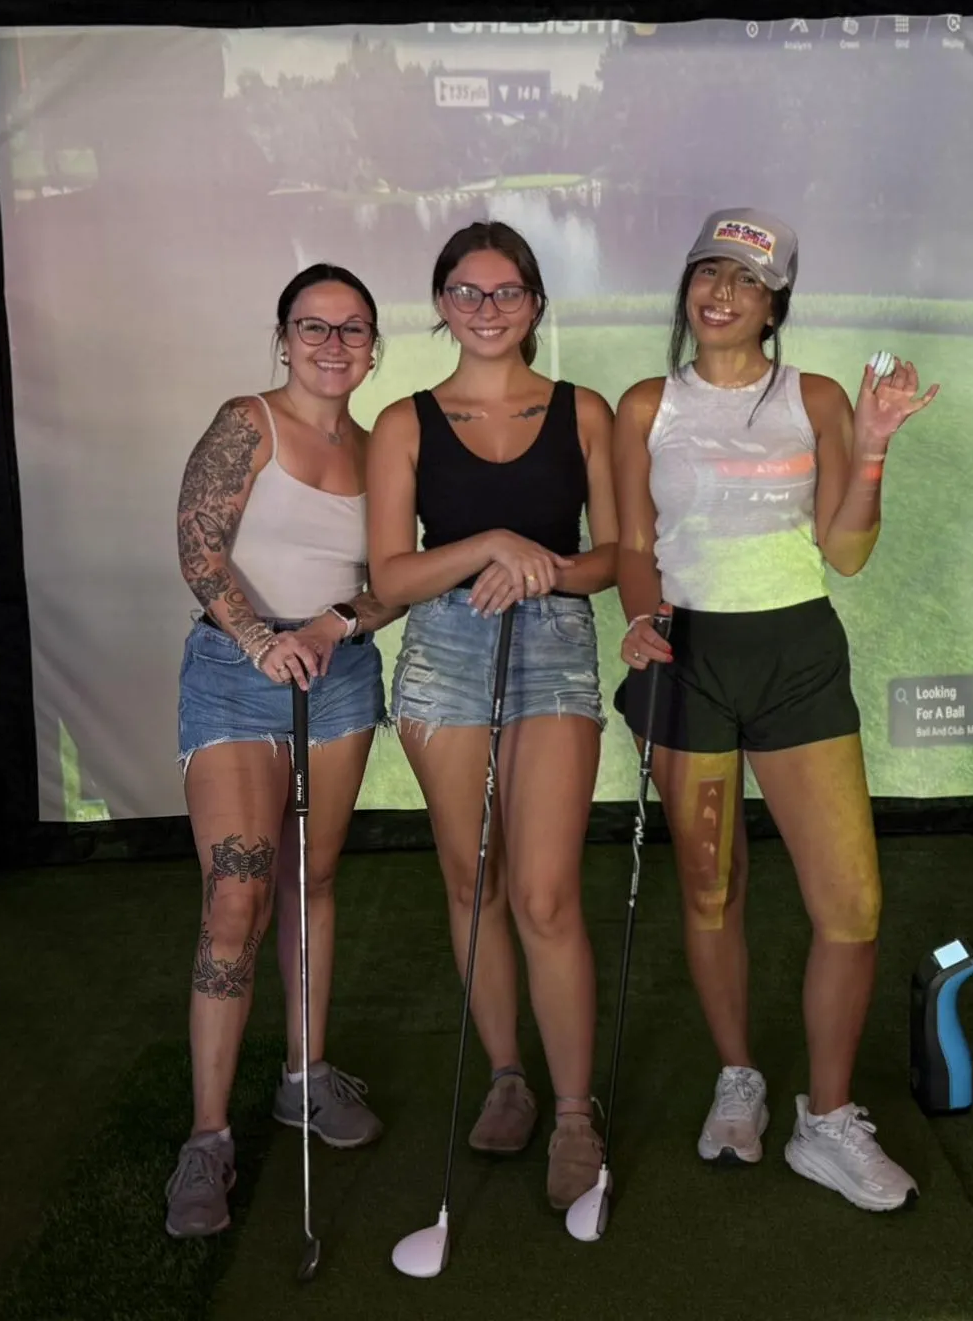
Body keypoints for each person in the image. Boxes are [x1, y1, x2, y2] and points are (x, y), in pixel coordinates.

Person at [612, 208, 937, 1212]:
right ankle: (737, 1077)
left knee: (851, 903)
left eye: (747, 281)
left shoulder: (820, 398)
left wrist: (874, 446)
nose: (721, 293)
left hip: (795, 654)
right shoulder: (644, 406)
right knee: (713, 889)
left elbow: (845, 550)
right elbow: (632, 538)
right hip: (690, 659)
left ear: (775, 301)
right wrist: (636, 615)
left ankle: (827, 1121)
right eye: (709, 272)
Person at [365, 221, 619, 1213]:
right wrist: (497, 541)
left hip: (552, 647)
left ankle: (570, 1112)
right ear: (440, 304)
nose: (485, 308)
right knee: (475, 878)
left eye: (505, 291)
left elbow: (616, 556)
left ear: (536, 305)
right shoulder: (404, 422)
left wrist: (539, 567)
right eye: (466, 293)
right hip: (441, 652)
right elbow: (392, 573)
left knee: (545, 893)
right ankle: (507, 1075)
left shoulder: (583, 412)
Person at [165, 262, 404, 1238]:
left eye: (352, 330)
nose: (333, 344)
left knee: (314, 877)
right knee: (238, 898)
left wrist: (334, 625)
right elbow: (197, 540)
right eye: (315, 326)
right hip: (235, 671)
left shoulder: (387, 447)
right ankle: (208, 1138)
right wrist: (266, 640)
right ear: (284, 336)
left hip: (338, 676)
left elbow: (394, 579)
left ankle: (303, 1077)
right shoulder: (247, 423)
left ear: (374, 346)